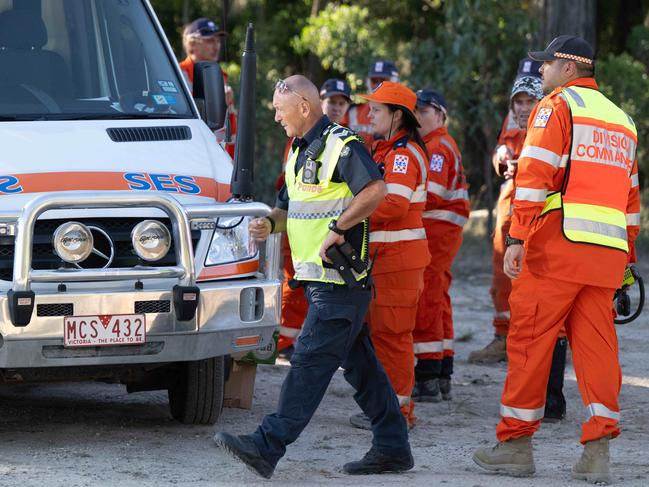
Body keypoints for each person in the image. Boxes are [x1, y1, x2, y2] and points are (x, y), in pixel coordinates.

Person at [214, 75, 413, 478]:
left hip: (340, 280)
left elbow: (375, 190)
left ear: (304, 107)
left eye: (279, 109)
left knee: (307, 363)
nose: (274, 117)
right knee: (363, 369)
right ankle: (393, 446)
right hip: (324, 281)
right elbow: (292, 209)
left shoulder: (342, 143)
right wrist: (270, 225)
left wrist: (339, 229)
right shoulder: (299, 150)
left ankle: (267, 446)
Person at [472, 36, 640, 484]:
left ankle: (515, 446)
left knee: (529, 340)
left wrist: (516, 236)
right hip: (606, 255)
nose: (541, 72)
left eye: (546, 65)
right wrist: (627, 258)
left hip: (557, 247)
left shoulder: (556, 107)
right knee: (597, 348)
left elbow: (532, 178)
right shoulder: (622, 120)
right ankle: (597, 452)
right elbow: (631, 202)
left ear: (568, 67)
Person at [469, 61, 569, 422]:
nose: (523, 107)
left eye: (529, 100)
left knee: (543, 304)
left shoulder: (551, 123)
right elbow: (502, 152)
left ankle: (549, 395)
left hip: (541, 216)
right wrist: (502, 160)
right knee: (505, 282)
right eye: (518, 102)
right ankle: (505, 341)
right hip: (512, 205)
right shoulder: (514, 126)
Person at [348, 81, 430, 430]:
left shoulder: (402, 156)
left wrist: (350, 211)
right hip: (389, 260)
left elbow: (394, 205)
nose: (370, 115)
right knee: (382, 335)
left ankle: (396, 414)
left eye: (378, 110)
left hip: (397, 262)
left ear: (398, 116)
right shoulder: (390, 151)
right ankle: (387, 408)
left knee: (393, 337)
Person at [276, 78, 353, 356]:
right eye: (331, 101)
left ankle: (291, 342)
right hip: (299, 230)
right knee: (293, 286)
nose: (335, 107)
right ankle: (284, 342)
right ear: (317, 102)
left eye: (341, 102)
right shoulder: (299, 139)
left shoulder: (345, 142)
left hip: (326, 242)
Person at [411, 89, 469, 402]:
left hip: (436, 230)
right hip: (442, 229)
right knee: (439, 293)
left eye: (424, 111)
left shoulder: (436, 148)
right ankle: (442, 368)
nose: (417, 117)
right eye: (414, 111)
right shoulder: (439, 145)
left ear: (440, 115)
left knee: (428, 295)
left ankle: (428, 374)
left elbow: (430, 195)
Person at [179, 17, 237, 158]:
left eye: (218, 41)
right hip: (191, 153)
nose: (216, 46)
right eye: (210, 40)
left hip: (220, 156)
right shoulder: (177, 73)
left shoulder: (221, 76)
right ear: (192, 44)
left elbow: (229, 126)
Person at [347, 60, 399, 146]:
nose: (378, 85)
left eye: (383, 81)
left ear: (395, 82)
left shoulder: (405, 113)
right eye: (374, 81)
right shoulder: (352, 111)